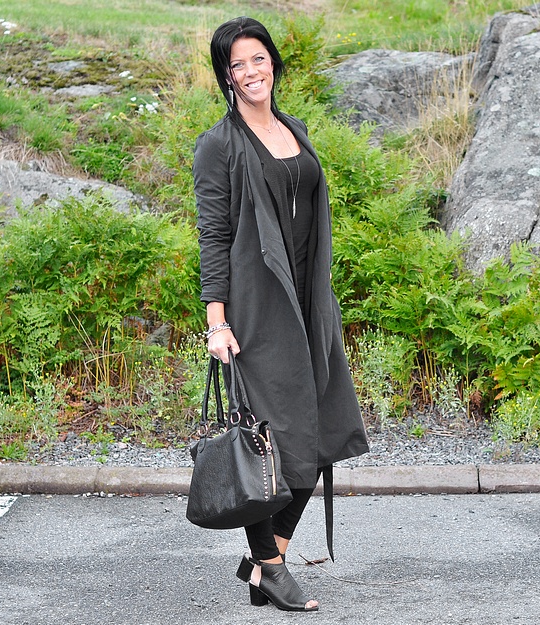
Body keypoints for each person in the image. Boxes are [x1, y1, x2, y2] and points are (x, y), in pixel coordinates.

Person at [192, 16, 369, 612]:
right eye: (237, 64)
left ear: (273, 62)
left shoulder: (295, 128)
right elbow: (213, 237)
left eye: (258, 58)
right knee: (267, 437)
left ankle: (267, 565)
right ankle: (269, 565)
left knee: (321, 428)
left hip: (307, 303)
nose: (251, 71)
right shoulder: (219, 145)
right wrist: (217, 322)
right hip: (256, 310)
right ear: (226, 77)